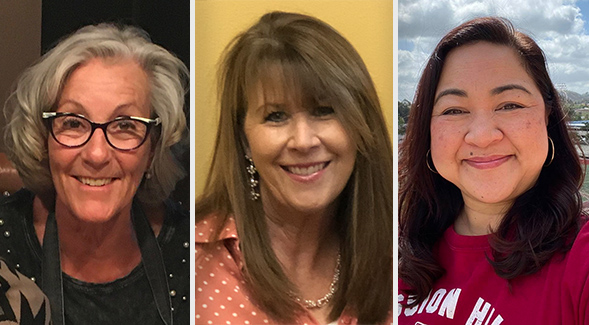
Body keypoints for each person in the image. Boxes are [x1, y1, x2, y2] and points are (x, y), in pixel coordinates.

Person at [195, 11, 394, 324]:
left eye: (324, 111)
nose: (303, 141)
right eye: (275, 116)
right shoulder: (191, 264)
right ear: (244, 139)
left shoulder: (399, 258)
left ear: (361, 126)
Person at [398, 17, 589, 324]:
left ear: (547, 118)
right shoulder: (397, 255)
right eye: (454, 110)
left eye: (510, 105)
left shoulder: (580, 262)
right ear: (428, 132)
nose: (483, 135)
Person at [1, 23, 189, 324]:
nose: (97, 154)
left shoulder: (191, 256)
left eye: (125, 125)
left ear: (153, 147)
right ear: (43, 137)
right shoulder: (5, 244)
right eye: (73, 123)